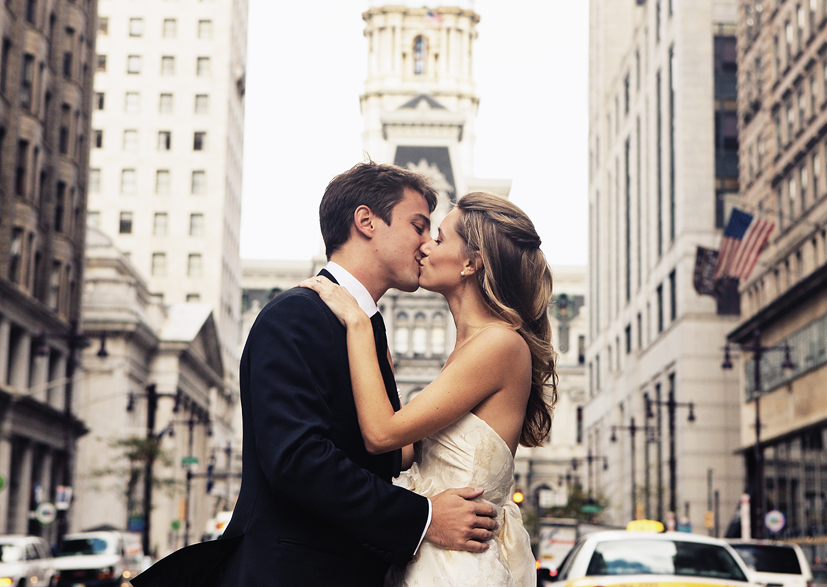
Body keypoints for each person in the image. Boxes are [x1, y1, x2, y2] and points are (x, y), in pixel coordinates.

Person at [131, 162, 499, 587]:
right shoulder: (296, 315)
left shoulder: (363, 326)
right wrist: (425, 518)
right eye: (418, 226)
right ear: (366, 222)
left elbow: (366, 452)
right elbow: (296, 459)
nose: (425, 244)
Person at [305, 191, 557, 586]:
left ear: (471, 263)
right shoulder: (471, 348)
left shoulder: (499, 345)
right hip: (435, 556)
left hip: (458, 567)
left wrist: (358, 325)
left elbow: (381, 435)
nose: (424, 246)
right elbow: (405, 454)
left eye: (438, 238)